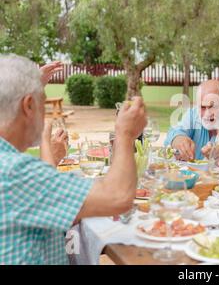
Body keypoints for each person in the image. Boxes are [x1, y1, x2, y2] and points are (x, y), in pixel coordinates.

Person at [0, 54, 147, 264]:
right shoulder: (15, 172)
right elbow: (118, 197)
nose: (46, 114)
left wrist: (29, 85)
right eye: (43, 104)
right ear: (28, 105)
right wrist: (125, 133)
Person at [164, 80, 219, 161]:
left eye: (213, 106)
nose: (207, 113)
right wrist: (177, 138)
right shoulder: (194, 114)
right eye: (202, 107)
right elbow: (175, 130)